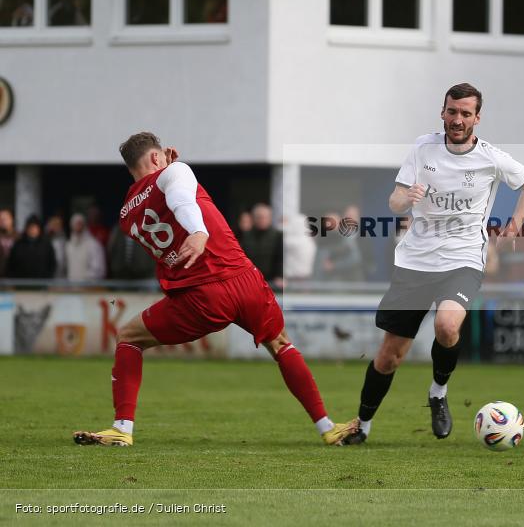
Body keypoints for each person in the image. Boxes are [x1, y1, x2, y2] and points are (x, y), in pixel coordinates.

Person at [73, 132, 356, 447]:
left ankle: (122, 428)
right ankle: (327, 427)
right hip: (244, 282)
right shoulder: (175, 173)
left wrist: (171, 171)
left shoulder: (127, 215)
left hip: (200, 298)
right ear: (156, 157)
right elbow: (180, 197)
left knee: (129, 337)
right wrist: (197, 229)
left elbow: (165, 198)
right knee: (281, 344)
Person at [344, 83, 524, 445]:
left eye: (466, 113)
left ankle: (437, 392)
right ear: (443, 112)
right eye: (453, 111)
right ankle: (363, 425)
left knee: (448, 326)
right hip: (415, 261)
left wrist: (516, 223)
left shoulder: (491, 158)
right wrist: (406, 197)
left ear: (477, 118)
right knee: (390, 356)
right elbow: (394, 202)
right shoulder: (423, 147)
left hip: (463, 259)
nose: (458, 119)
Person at [239, 203, 283, 286]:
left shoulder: (278, 235)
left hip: (271, 280)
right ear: (254, 218)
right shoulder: (246, 235)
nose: (262, 220)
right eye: (259, 217)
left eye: (265, 217)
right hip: (251, 279)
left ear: (270, 218)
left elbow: (280, 258)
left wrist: (279, 276)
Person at [7, 214, 57, 279]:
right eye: (30, 227)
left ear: (39, 229)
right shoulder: (18, 244)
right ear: (26, 229)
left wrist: (48, 279)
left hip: (42, 283)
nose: (32, 230)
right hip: (20, 283)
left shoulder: (46, 245)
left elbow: (52, 264)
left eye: (35, 227)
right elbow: (11, 263)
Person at [65, 213, 106, 282]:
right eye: (75, 224)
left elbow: (98, 270)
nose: (78, 227)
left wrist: (84, 280)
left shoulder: (93, 244)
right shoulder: (69, 245)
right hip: (72, 288)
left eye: (80, 224)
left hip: (89, 289)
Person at [0, 208, 17, 277]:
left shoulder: (19, 238)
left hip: (15, 278)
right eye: (0, 219)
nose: (2, 221)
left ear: (12, 219)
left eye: (5, 219)